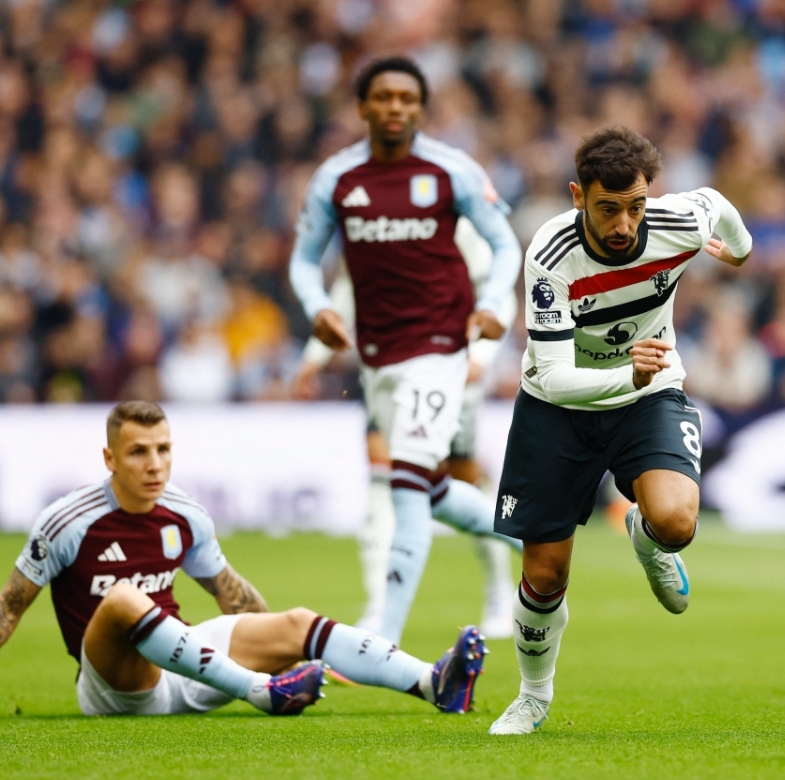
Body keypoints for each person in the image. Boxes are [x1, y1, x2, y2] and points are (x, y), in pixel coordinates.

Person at [0, 401, 485, 718]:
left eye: (164, 449)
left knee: (300, 622)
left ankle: (434, 684)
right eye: (139, 452)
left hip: (190, 668)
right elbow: (10, 603)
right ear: (109, 458)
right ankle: (260, 693)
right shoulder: (67, 521)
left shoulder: (184, 514)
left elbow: (229, 593)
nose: (155, 464)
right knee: (124, 599)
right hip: (119, 688)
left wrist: (287, 648)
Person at [486, 126, 752, 734]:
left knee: (677, 521)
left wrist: (737, 252)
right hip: (558, 408)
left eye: (636, 207)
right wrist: (625, 376)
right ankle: (533, 694)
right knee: (545, 573)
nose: (625, 224)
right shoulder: (551, 255)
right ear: (579, 196)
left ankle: (646, 533)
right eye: (609, 209)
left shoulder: (676, 221)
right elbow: (553, 379)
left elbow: (721, 208)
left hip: (649, 393)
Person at [288, 56, 523, 645]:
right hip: (377, 359)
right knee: (435, 489)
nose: (395, 108)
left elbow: (502, 243)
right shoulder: (337, 179)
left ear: (420, 107)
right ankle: (541, 536)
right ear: (363, 106)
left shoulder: (452, 172)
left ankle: (381, 641)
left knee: (407, 485)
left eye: (407, 99)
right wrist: (317, 310)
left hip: (442, 351)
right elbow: (304, 260)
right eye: (384, 98)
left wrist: (493, 303)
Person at [292, 218, 518, 639]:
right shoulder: (366, 214)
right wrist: (316, 353)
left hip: (448, 369)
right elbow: (348, 289)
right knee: (384, 476)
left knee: (460, 479)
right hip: (388, 368)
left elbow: (496, 293)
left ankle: (501, 590)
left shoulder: (456, 216)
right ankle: (379, 608)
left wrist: (481, 358)